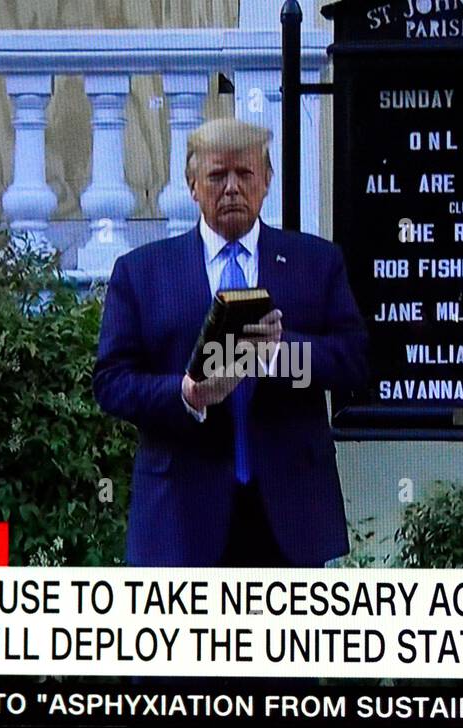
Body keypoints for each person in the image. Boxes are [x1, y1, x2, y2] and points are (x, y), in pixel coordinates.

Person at [93, 117, 368, 568]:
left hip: (289, 520)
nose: (233, 188)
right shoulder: (142, 273)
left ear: (267, 181)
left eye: (245, 174)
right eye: (218, 176)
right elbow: (111, 382)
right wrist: (187, 394)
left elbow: (355, 362)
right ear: (193, 185)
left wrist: (280, 356)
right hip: (180, 520)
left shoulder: (315, 263)